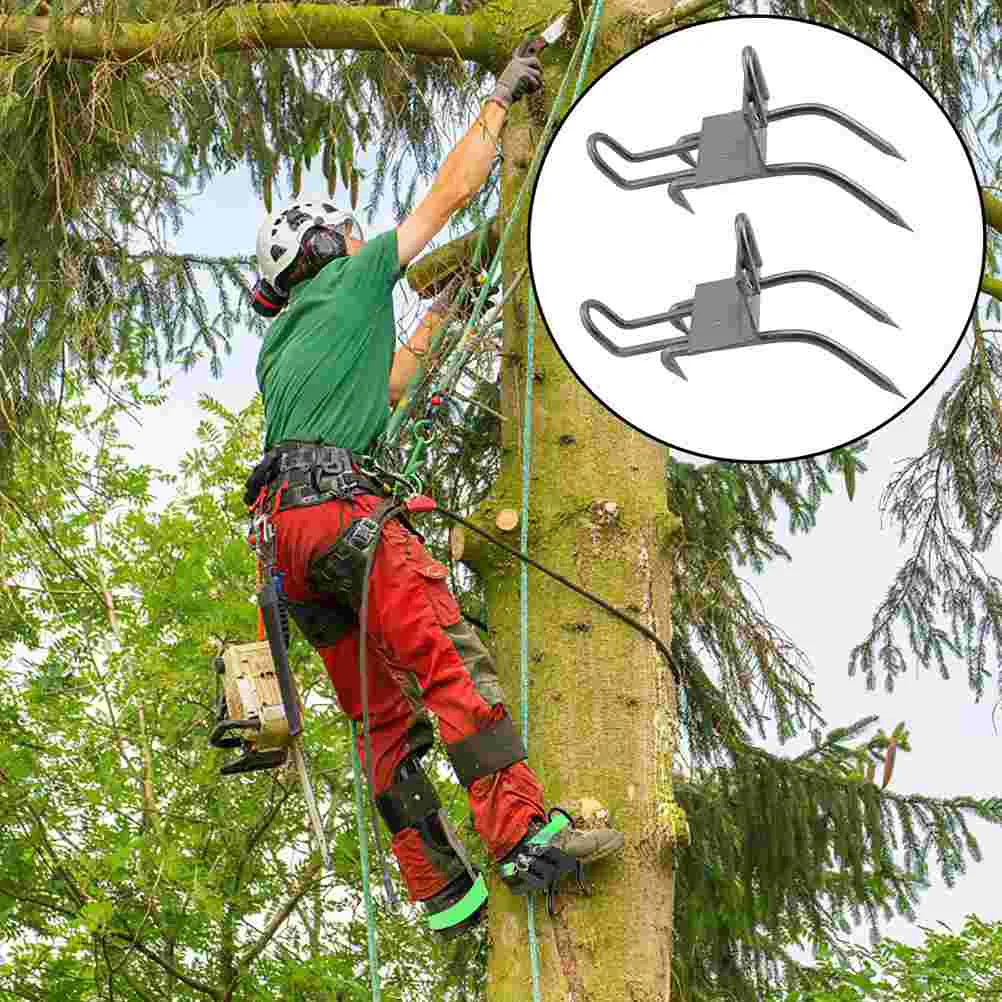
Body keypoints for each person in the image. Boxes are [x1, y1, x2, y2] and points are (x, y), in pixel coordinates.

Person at [244, 41, 624, 940]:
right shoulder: (354, 274)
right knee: (451, 666)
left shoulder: (287, 340)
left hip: (284, 548)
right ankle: (524, 834)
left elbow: (387, 389)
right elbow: (451, 193)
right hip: (348, 521)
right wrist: (499, 102)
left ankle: (438, 886)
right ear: (326, 245)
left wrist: (447, 309)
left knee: (379, 717)